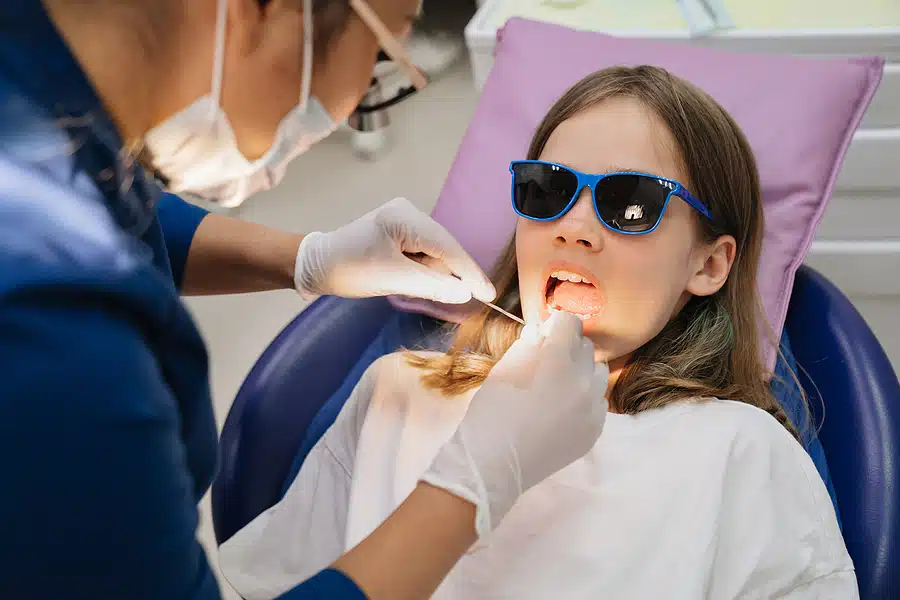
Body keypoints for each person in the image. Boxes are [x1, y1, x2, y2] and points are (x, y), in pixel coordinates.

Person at [0, 1, 609, 599]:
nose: (576, 230)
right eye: (378, 62)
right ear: (260, 11)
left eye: (632, 207)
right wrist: (469, 488)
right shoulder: (54, 347)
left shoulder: (35, 86)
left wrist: (305, 258)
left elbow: (115, 204)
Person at [217, 66, 858, 599]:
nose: (573, 228)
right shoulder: (397, 395)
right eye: (547, 190)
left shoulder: (743, 453)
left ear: (709, 264)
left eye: (630, 203)